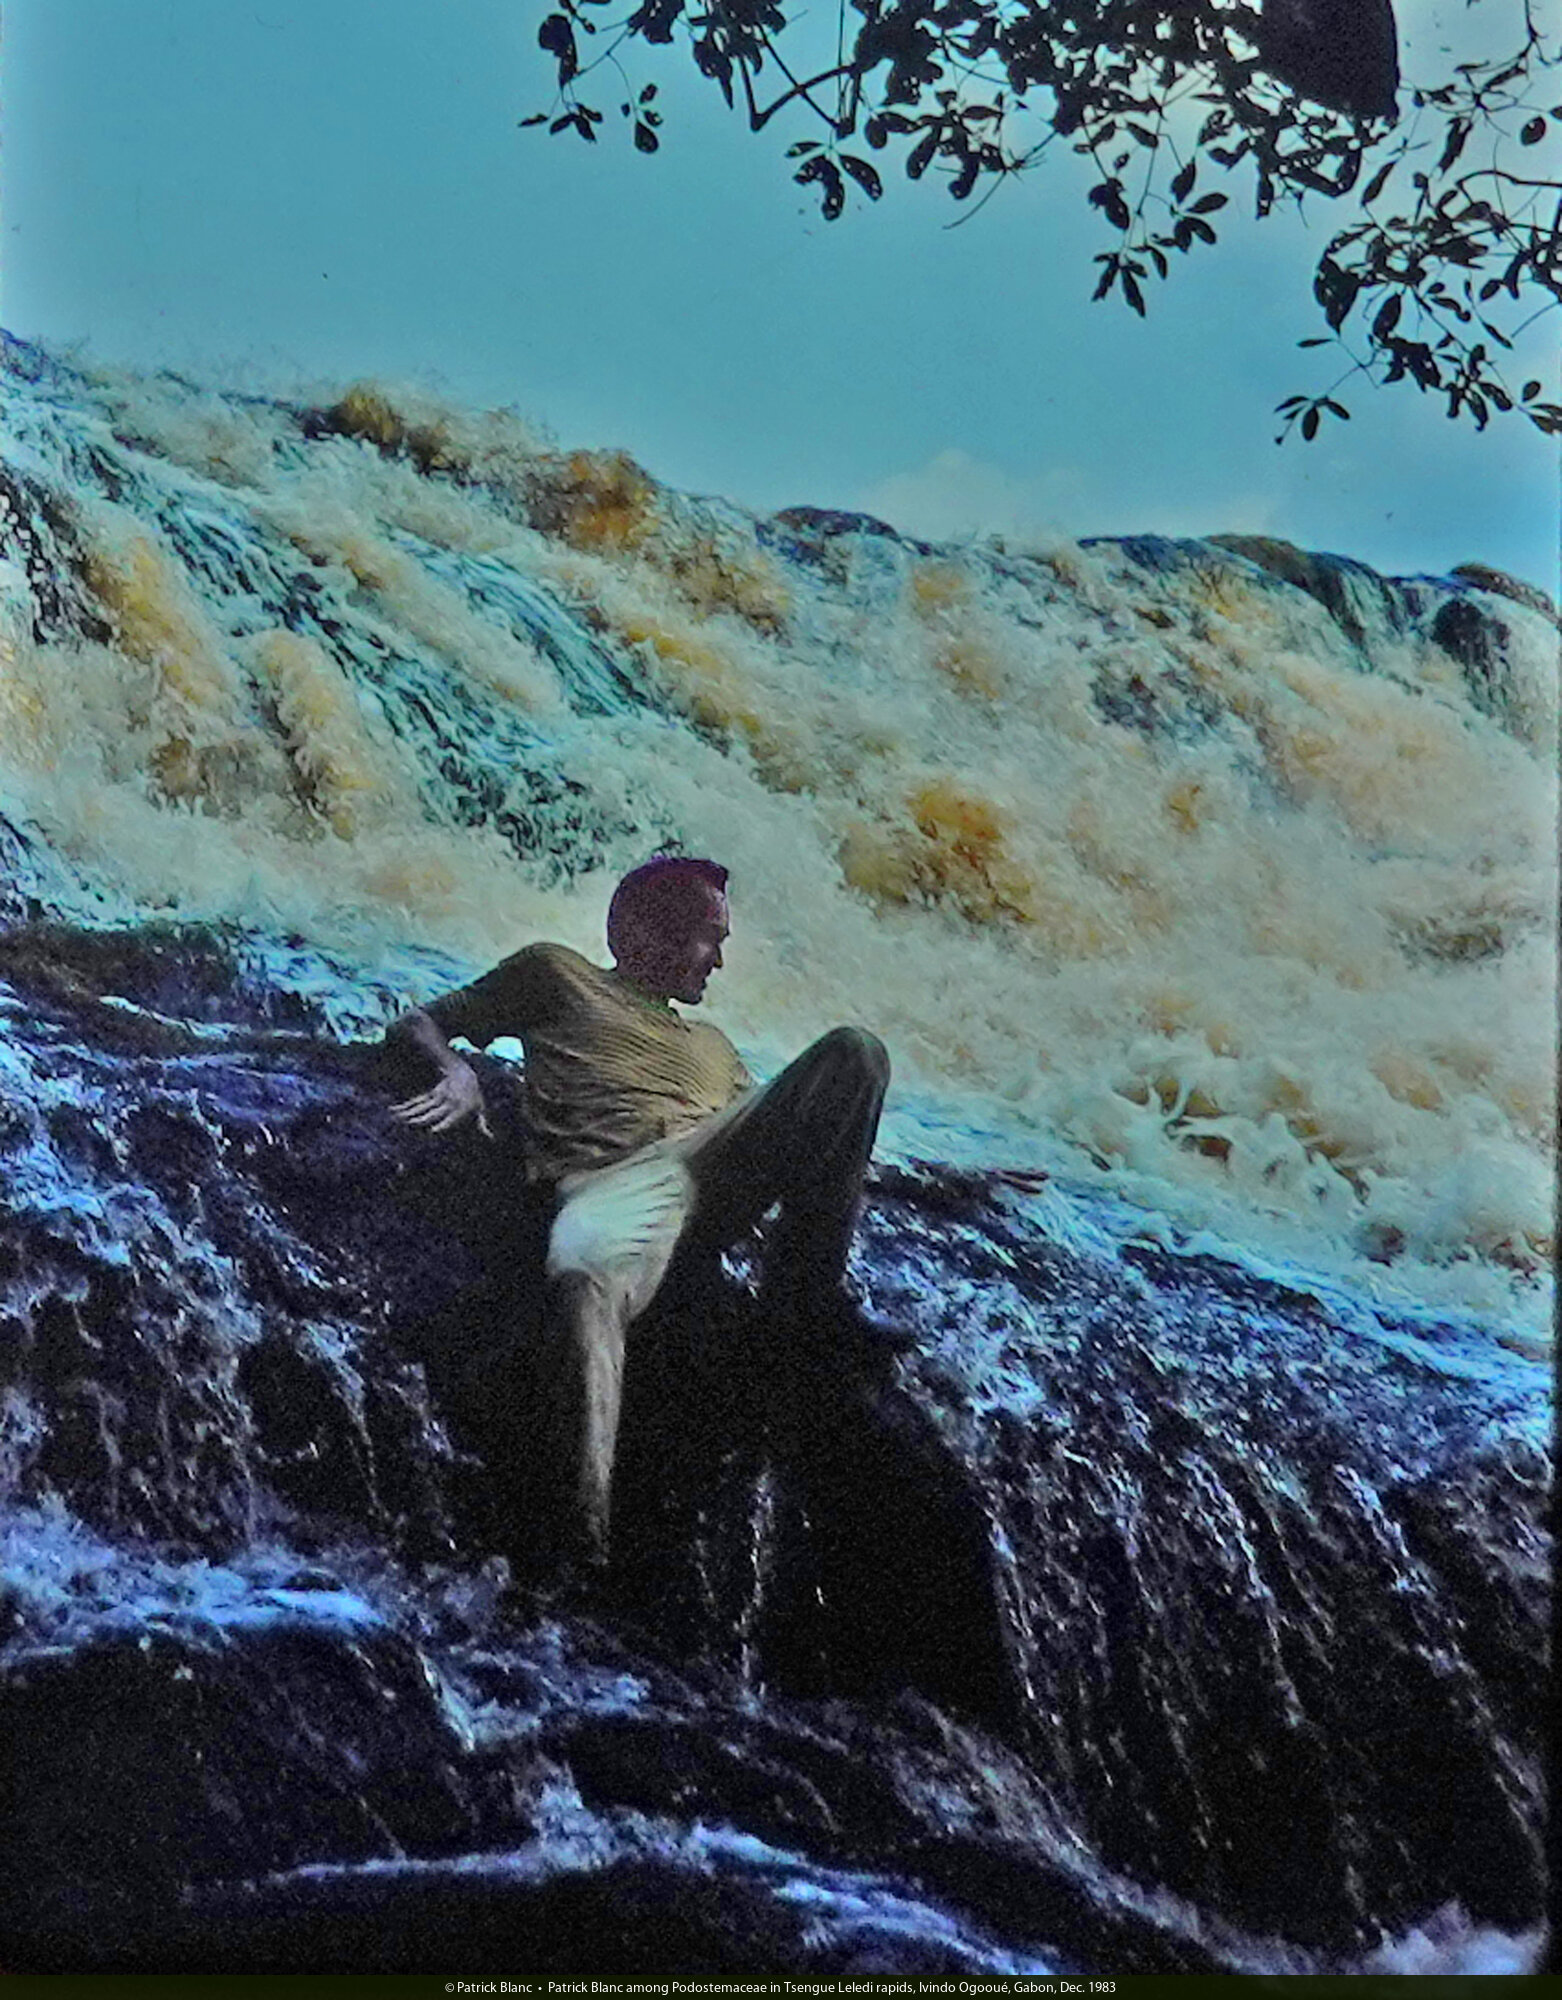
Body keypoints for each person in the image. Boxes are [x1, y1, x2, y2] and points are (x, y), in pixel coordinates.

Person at [385, 854, 897, 1571]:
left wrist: (945, 1182)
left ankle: (798, 1316)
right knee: (583, 1285)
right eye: (709, 937)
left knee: (854, 1054)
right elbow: (420, 1021)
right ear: (638, 931)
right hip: (614, 1182)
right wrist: (457, 1072)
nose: (719, 961)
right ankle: (580, 1548)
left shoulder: (714, 1048)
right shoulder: (556, 973)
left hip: (710, 1161)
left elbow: (808, 1131)